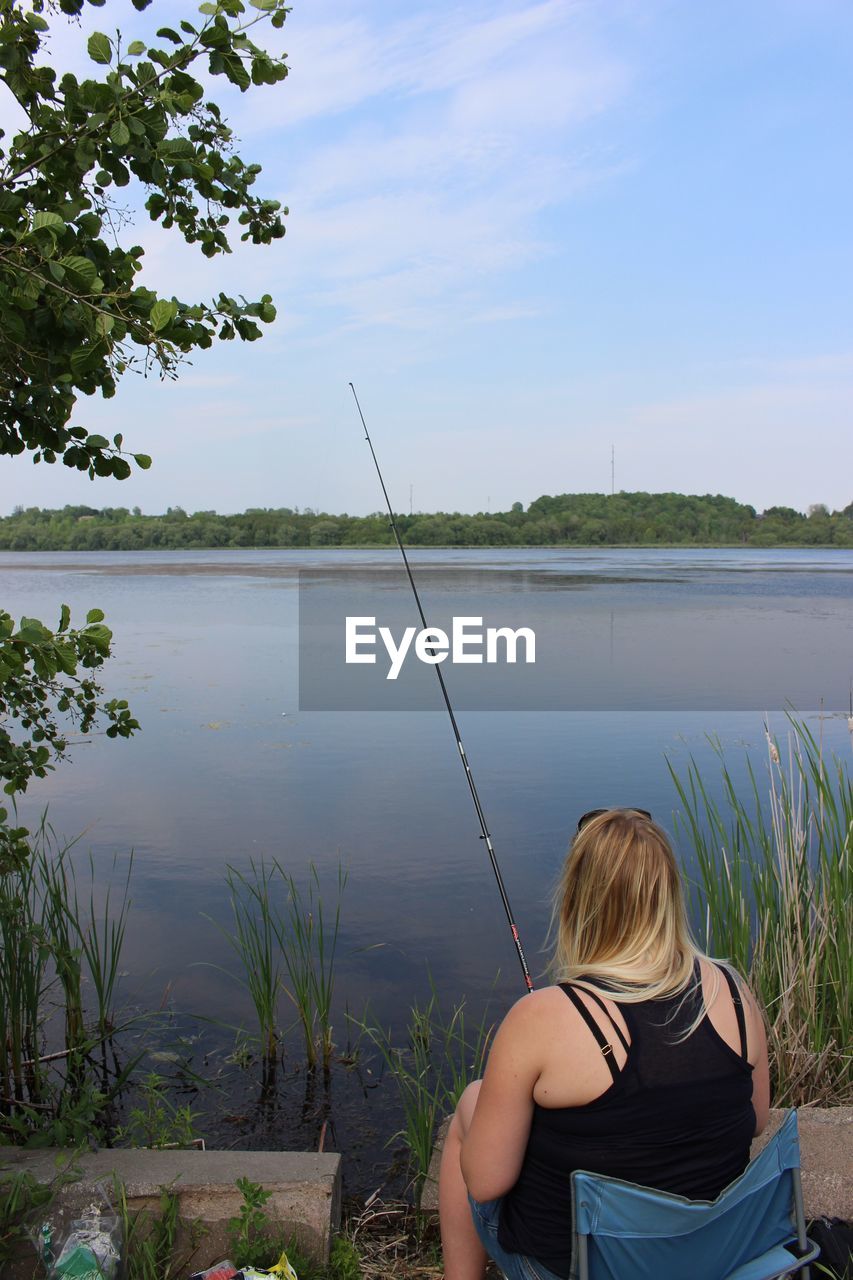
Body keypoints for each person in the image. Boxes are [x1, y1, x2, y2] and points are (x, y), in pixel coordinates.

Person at [438, 808, 770, 1280]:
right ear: (669, 897)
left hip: (577, 1269)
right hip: (708, 1260)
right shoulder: (733, 993)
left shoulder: (541, 1017)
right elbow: (755, 1120)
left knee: (468, 1109)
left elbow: (488, 1182)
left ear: (577, 899)